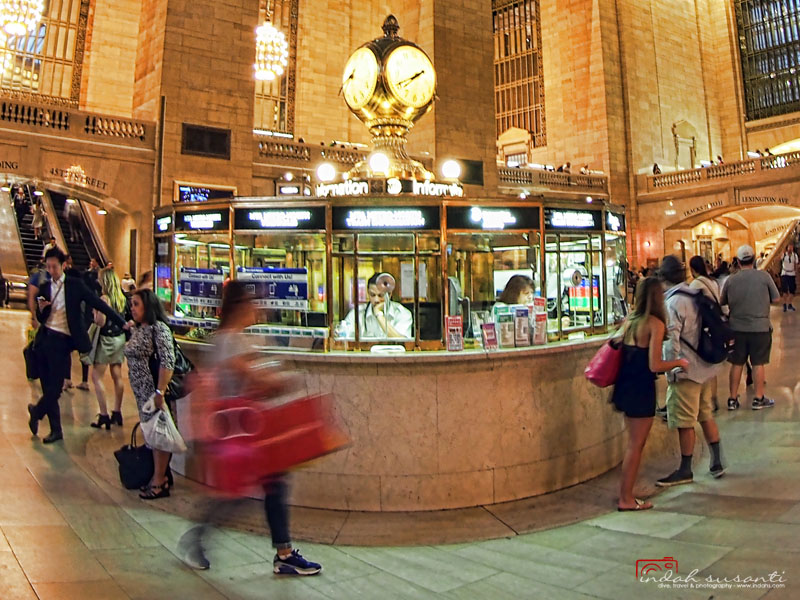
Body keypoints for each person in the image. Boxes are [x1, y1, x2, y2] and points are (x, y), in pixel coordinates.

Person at [177, 282, 322, 575]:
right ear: (240, 307)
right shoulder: (233, 341)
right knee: (242, 493)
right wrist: (284, 380)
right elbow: (255, 380)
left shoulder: (225, 339)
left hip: (237, 428)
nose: (257, 309)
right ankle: (200, 537)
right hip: (240, 431)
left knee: (271, 485)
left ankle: (282, 552)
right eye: (253, 303)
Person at [27, 248, 126, 444]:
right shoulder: (45, 288)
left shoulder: (75, 285)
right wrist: (41, 311)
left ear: (63, 265)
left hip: (63, 342)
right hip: (45, 339)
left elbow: (99, 304)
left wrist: (122, 322)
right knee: (48, 387)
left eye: (54, 266)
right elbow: (40, 315)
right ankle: (56, 430)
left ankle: (37, 411)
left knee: (55, 388)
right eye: (48, 267)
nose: (51, 270)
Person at [611, 277, 688, 510]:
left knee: (632, 444)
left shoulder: (630, 321)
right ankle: (626, 498)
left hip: (624, 385)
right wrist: (679, 362)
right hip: (641, 387)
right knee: (636, 445)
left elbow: (615, 344)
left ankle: (626, 493)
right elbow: (654, 365)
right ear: (657, 297)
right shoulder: (654, 324)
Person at [656, 255, 726, 487]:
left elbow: (671, 342)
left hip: (686, 370)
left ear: (663, 279)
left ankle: (685, 469)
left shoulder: (672, 303)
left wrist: (670, 369)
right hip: (706, 366)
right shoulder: (694, 293)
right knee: (705, 413)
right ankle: (717, 461)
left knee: (684, 420)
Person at [123, 288, 175, 499]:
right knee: (151, 435)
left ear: (148, 305)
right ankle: (159, 475)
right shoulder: (140, 328)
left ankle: (159, 481)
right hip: (141, 394)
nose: (132, 308)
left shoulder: (158, 328)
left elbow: (167, 360)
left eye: (136, 304)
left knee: (159, 436)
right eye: (131, 304)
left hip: (153, 392)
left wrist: (160, 391)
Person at [721, 245, 781, 410]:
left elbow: (722, 301)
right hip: (760, 327)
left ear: (738, 262)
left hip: (736, 328)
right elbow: (776, 299)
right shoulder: (764, 276)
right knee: (758, 363)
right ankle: (758, 398)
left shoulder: (731, 279)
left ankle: (732, 399)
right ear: (754, 260)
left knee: (736, 363)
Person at [89, 268, 129, 429]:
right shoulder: (121, 298)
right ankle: (117, 412)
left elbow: (101, 322)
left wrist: (95, 311)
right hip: (119, 339)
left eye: (100, 279)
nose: (98, 281)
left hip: (106, 339)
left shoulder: (105, 298)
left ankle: (104, 414)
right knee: (117, 375)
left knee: (96, 376)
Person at [689, 256, 723, 411]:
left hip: (703, 326)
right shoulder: (712, 281)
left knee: (703, 361)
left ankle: (705, 399)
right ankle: (713, 398)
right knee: (713, 363)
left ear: (692, 269)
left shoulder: (695, 284)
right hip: (715, 325)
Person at [337, 273, 413, 339]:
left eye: (381, 295)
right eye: (372, 295)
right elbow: (344, 337)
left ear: (389, 294)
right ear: (368, 293)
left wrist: (379, 315)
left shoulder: (402, 313)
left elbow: (402, 342)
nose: (376, 300)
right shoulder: (357, 313)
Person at [780, 244, 798, 311]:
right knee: (784, 290)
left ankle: (789, 304)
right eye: (789, 247)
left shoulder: (795, 256)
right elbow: (779, 258)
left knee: (792, 290)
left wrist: (796, 273)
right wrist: (782, 252)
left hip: (792, 274)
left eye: (792, 247)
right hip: (785, 273)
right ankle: (784, 304)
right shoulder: (784, 255)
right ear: (787, 248)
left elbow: (796, 264)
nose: (790, 249)